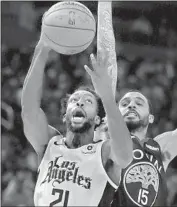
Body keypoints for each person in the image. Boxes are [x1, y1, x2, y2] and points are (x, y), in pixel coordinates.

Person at [21, 12, 133, 206]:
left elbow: (125, 155)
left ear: (98, 120)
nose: (79, 103)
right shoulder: (50, 144)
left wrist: (106, 96)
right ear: (64, 116)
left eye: (88, 102)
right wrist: (43, 47)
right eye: (74, 100)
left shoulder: (104, 151)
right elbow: (29, 110)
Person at [96, 1, 177, 206]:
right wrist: (104, 5)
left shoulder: (161, 147)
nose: (131, 105)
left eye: (139, 102)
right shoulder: (103, 135)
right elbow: (106, 61)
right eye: (124, 103)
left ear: (151, 117)